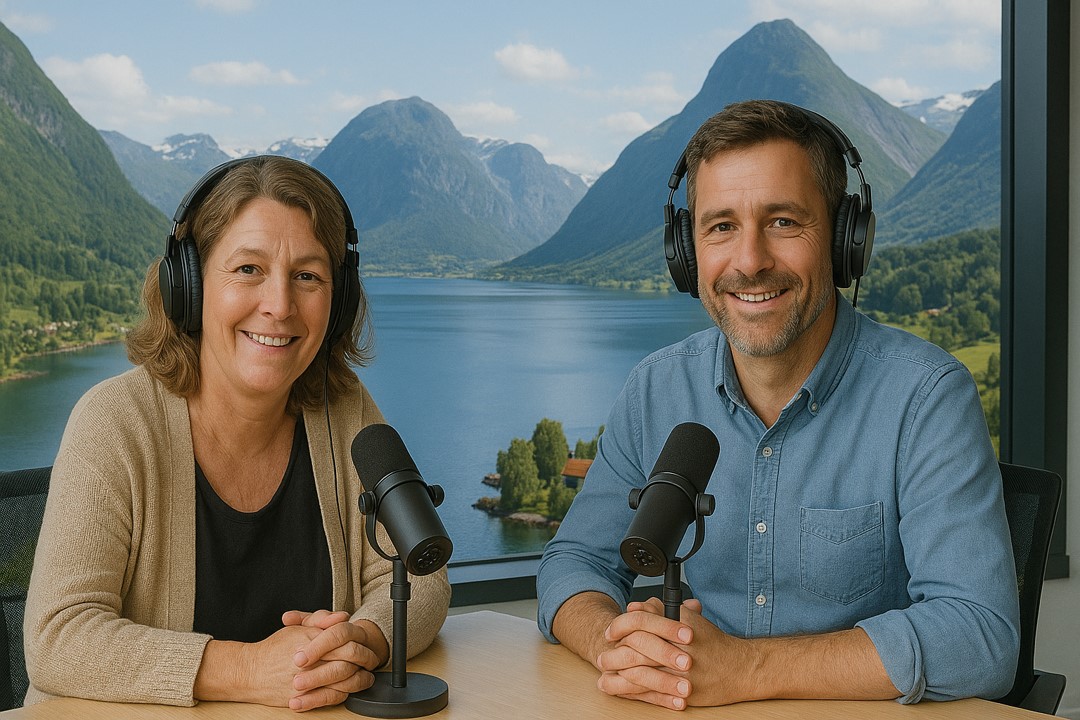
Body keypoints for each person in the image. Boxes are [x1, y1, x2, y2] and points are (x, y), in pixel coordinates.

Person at [536, 100, 1019, 710]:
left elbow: (981, 637)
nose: (750, 261)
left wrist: (746, 669)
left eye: (785, 222)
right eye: (720, 227)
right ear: (686, 253)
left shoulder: (925, 396)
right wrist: (616, 645)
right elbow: (572, 563)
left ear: (846, 238)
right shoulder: (655, 389)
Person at [24, 156, 451, 711]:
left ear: (338, 301)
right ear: (192, 286)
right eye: (248, 269)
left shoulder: (345, 411)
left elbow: (421, 579)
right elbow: (59, 637)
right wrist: (245, 669)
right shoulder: (115, 422)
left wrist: (360, 644)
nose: (278, 305)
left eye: (308, 276)